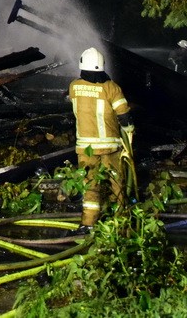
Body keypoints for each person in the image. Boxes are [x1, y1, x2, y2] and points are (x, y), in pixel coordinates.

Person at [69, 46, 134, 234]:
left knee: (90, 184)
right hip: (110, 145)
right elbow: (124, 116)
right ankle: (120, 219)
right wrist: (129, 133)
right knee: (117, 181)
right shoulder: (111, 88)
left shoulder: (74, 86)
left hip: (85, 147)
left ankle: (88, 223)